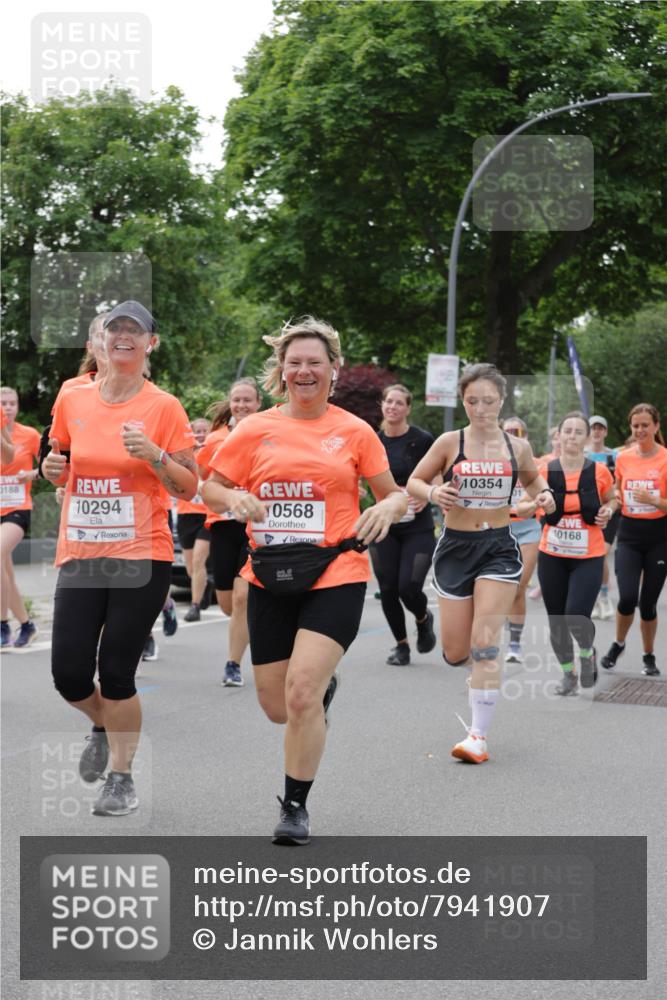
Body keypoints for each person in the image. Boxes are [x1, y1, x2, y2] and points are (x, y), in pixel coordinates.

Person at [202, 316, 406, 844]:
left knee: (299, 695)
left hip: (337, 569)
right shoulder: (254, 429)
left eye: (315, 361)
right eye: (295, 362)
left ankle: (294, 807)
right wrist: (234, 498)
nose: (305, 370)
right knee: (277, 707)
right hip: (269, 574)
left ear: (333, 369)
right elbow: (210, 489)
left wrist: (388, 508)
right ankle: (320, 694)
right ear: (282, 371)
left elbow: (394, 492)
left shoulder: (356, 431)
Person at [43, 300, 197, 817]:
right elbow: (59, 461)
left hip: (141, 555)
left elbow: (190, 484)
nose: (123, 336)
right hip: (82, 553)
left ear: (150, 344)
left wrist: (154, 455)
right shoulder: (72, 394)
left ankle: (122, 778)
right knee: (68, 674)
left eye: (135, 330)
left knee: (116, 673)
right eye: (115, 329)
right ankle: (104, 725)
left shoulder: (164, 407)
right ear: (101, 341)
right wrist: (52, 469)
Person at [408, 363, 555, 764]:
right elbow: (414, 482)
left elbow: (539, 489)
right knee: (457, 653)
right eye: (472, 400)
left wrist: (546, 499)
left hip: (498, 548)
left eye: (489, 400)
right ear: (463, 401)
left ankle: (478, 737)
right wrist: (435, 492)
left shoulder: (516, 447)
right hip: (456, 547)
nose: (480, 408)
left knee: (485, 644)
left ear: (501, 400)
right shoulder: (448, 442)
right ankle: (476, 669)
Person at [517, 412, 617, 695]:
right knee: (556, 620)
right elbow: (523, 507)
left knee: (576, 616)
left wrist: (608, 510)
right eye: (567, 431)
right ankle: (568, 674)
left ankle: (587, 654)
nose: (572, 436)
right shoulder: (546, 472)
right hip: (552, 554)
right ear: (558, 436)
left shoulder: (598, 471)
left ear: (586, 438)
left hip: (589, 555)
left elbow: (613, 498)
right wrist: (535, 501)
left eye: (578, 432)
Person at [197, 379, 262, 685]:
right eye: (237, 400)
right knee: (226, 602)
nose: (241, 405)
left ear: (258, 403)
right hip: (223, 524)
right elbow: (201, 477)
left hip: (255, 526)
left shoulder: (267, 435)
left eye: (247, 400)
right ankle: (248, 626)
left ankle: (232, 664)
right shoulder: (214, 440)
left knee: (242, 598)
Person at [369, 384, 436, 665]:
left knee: (408, 586)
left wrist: (429, 491)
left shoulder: (422, 440)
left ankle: (423, 618)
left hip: (418, 526)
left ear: (408, 408)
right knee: (387, 587)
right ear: (382, 405)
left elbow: (441, 471)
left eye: (399, 403)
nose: (393, 407)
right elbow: (358, 472)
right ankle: (401, 645)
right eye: (388, 401)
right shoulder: (372, 440)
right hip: (384, 525)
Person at [601, 403, 667, 677]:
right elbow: (619, 494)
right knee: (627, 597)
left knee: (648, 603)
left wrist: (653, 500)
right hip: (629, 535)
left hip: (659, 538)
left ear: (656, 426)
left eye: (645, 425)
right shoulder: (624, 458)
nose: (640, 430)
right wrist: (610, 508)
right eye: (635, 426)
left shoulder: (665, 458)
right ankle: (618, 643)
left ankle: (648, 654)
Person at [1, 387, 41, 648]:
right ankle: (27, 624)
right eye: (3, 403)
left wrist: (33, 474)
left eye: (12, 403)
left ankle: (2, 625)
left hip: (18, 508)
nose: (7, 407)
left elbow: (53, 465)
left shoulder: (30, 435)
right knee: (6, 574)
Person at [502, 417, 542, 663]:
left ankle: (514, 643)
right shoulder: (492, 463)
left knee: (518, 587)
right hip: (498, 530)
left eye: (518, 433)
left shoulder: (536, 464)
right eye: (508, 433)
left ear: (525, 437)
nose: (513, 437)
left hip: (528, 529)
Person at [175, 416, 212, 622]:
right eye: (195, 430)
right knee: (191, 567)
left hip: (206, 515)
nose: (199, 434)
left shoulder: (215, 452)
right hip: (185, 514)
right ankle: (204, 586)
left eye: (203, 430)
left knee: (199, 560)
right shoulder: (182, 455)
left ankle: (195, 606)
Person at [585, 415, 617, 621]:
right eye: (593, 428)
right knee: (591, 556)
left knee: (601, 554)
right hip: (588, 512)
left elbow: (621, 481)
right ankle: (597, 597)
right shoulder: (582, 455)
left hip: (609, 512)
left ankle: (604, 596)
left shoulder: (614, 456)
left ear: (605, 432)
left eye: (600, 428)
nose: (596, 432)